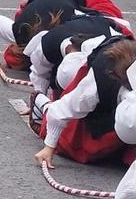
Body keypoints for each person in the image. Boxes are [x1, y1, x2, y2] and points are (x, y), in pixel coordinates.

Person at [34, 36, 136, 166]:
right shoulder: (96, 86)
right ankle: (42, 104)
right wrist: (49, 147)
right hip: (99, 90)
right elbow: (61, 110)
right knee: (76, 146)